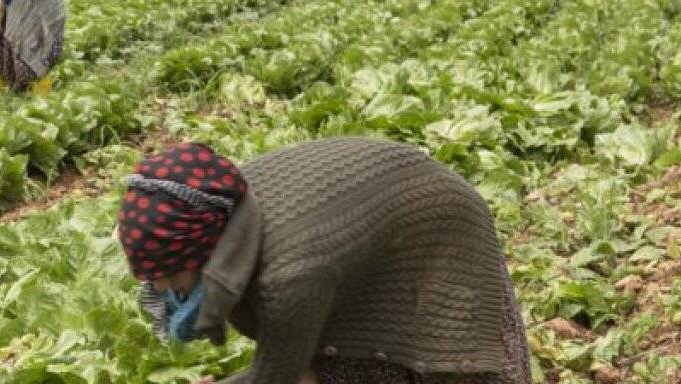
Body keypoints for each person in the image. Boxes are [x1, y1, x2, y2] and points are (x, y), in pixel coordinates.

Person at [117, 138, 532, 384]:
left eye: (171, 275)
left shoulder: (290, 277)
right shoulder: (215, 203)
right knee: (339, 362)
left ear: (205, 251)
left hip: (440, 224)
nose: (165, 288)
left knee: (447, 362)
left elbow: (279, 377)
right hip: (371, 219)